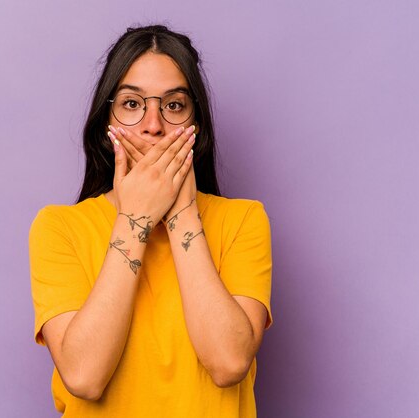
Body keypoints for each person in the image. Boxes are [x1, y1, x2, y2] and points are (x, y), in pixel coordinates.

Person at [29, 25, 272, 417]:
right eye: (131, 103)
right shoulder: (59, 228)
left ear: (197, 123)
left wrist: (180, 211)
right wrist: (136, 217)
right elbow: (84, 376)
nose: (154, 125)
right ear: (106, 122)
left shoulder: (243, 220)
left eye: (174, 105)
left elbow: (229, 364)